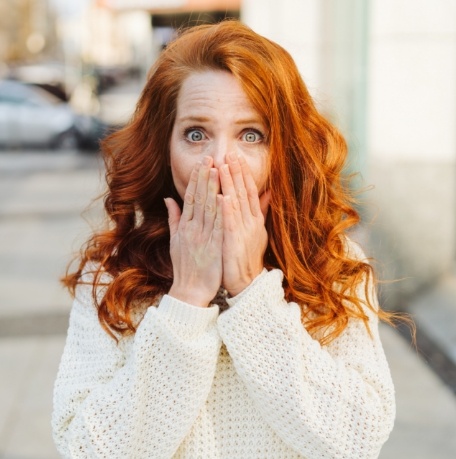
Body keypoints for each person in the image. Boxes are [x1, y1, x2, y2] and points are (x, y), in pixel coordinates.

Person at [52, 20, 396, 459]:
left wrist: (252, 290)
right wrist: (187, 299)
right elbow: (86, 448)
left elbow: (356, 440)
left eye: (250, 135)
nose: (219, 163)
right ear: (164, 146)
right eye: (196, 134)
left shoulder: (333, 263)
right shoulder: (112, 275)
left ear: (282, 152)